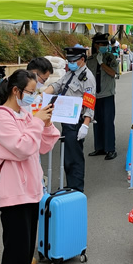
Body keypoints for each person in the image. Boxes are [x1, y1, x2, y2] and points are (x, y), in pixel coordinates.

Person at [0, 70, 60, 264]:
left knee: (25, 247)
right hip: (13, 191)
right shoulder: (0, 117)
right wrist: (37, 123)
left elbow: (43, 146)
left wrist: (46, 124)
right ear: (16, 91)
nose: (33, 97)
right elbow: (22, 147)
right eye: (30, 92)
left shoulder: (26, 113)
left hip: (30, 189)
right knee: (16, 247)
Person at [42, 46, 96, 192]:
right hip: (66, 120)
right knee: (67, 156)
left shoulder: (88, 77)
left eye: (73, 60)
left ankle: (77, 188)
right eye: (69, 60)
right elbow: (58, 85)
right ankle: (70, 185)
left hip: (77, 122)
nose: (70, 63)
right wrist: (42, 95)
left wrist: (85, 125)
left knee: (75, 158)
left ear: (82, 60)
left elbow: (89, 103)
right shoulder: (70, 73)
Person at [87, 33, 118, 161]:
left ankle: (110, 149)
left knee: (108, 122)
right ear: (96, 45)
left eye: (106, 44)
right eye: (102, 44)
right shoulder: (90, 60)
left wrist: (102, 64)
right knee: (97, 122)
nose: (105, 46)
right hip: (94, 95)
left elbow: (113, 73)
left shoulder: (111, 58)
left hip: (107, 94)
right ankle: (99, 147)